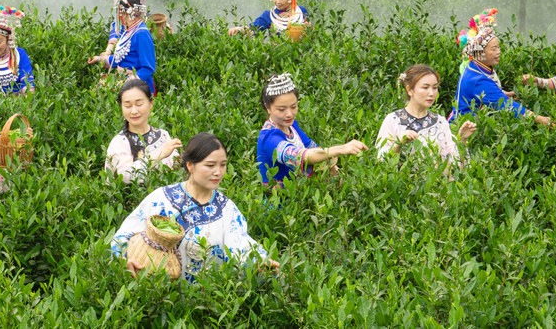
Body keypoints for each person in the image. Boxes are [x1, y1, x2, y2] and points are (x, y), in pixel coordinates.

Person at [111, 133, 278, 282]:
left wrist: (259, 261)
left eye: (223, 165)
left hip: (208, 301)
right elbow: (127, 233)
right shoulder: (162, 198)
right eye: (210, 165)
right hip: (163, 298)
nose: (218, 172)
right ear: (190, 165)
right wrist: (123, 259)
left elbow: (240, 244)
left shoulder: (226, 209)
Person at [256, 73, 367, 187]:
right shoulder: (269, 137)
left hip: (301, 194)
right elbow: (302, 156)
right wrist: (342, 148)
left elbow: (312, 147)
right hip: (279, 202)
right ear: (268, 107)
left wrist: (337, 171)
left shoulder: (292, 126)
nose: (289, 114)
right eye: (281, 109)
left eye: (293, 107)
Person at [454, 8, 551, 126]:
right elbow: (507, 106)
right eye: (493, 49)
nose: (498, 52)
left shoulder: (475, 67)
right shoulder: (478, 79)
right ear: (479, 53)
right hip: (465, 130)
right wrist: (540, 119)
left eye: (498, 47)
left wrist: (499, 93)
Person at [376, 65, 475, 164]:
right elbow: (381, 163)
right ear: (409, 90)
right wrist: (399, 143)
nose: (431, 93)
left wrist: (462, 140)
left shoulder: (440, 122)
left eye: (435, 88)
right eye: (425, 87)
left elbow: (454, 165)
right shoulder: (393, 120)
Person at [105, 78, 181, 183]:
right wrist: (159, 155)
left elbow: (176, 170)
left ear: (151, 103)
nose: (134, 111)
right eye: (127, 106)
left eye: (139, 104)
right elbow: (124, 177)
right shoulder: (119, 142)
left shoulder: (163, 135)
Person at [88, 0, 156, 93]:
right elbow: (120, 59)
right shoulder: (127, 31)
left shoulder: (141, 33)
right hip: (122, 82)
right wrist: (99, 59)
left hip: (138, 87)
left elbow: (148, 68)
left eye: (122, 13)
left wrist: (127, 82)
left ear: (130, 14)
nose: (121, 17)